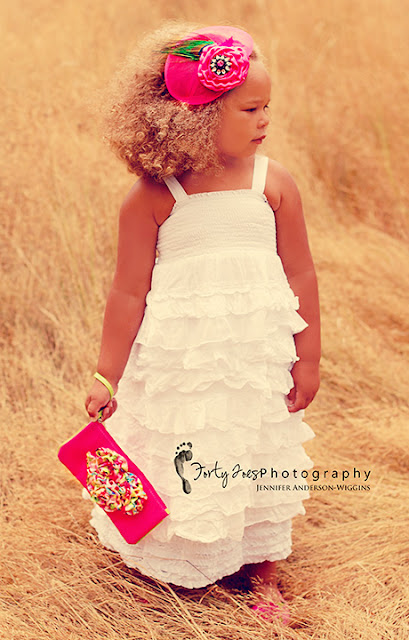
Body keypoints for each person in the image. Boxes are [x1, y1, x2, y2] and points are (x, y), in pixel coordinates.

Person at [85, 23, 320, 625]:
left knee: (258, 452)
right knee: (178, 454)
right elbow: (127, 293)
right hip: (180, 367)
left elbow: (300, 273)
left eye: (267, 106)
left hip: (255, 363)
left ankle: (263, 573)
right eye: (250, 109)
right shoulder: (153, 196)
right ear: (196, 116)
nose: (265, 119)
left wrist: (308, 357)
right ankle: (171, 567)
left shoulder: (273, 183)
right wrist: (108, 375)